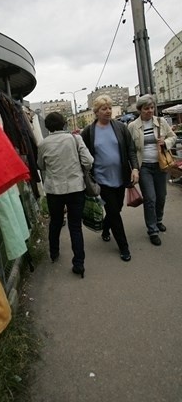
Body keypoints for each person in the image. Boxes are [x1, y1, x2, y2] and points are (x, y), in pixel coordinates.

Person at [81, 95, 139, 262]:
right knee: (113, 211)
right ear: (96, 112)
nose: (108, 111)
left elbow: (131, 150)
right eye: (103, 109)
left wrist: (134, 168)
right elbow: (84, 154)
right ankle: (124, 247)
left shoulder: (120, 127)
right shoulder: (89, 132)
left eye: (109, 108)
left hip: (120, 177)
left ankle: (106, 229)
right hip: (101, 180)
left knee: (116, 209)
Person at [37, 112, 94, 278]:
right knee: (75, 226)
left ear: (47, 127)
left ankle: (54, 253)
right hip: (76, 188)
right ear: (64, 124)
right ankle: (79, 264)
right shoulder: (75, 139)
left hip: (54, 191)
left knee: (55, 222)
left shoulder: (43, 144)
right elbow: (89, 161)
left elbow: (41, 165)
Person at [128, 94, 177, 246]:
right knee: (150, 198)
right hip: (144, 167)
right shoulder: (132, 126)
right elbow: (130, 149)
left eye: (151, 107)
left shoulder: (161, 122)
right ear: (139, 110)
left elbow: (173, 137)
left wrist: (165, 142)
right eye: (146, 108)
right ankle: (152, 230)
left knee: (161, 196)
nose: (150, 111)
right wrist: (134, 168)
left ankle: (158, 220)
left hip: (161, 165)